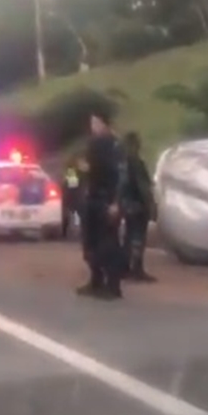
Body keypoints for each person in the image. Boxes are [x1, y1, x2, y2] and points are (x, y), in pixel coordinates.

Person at [77, 112, 127, 300]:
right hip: (92, 198)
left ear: (105, 123)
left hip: (106, 199)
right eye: (92, 122)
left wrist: (116, 201)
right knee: (91, 242)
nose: (93, 126)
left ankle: (113, 285)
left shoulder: (114, 145)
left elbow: (121, 176)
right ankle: (95, 280)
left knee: (109, 243)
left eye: (96, 122)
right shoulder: (93, 144)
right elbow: (87, 171)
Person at [120, 131, 157, 283]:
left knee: (128, 237)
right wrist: (151, 205)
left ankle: (125, 268)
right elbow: (143, 187)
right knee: (138, 238)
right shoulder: (136, 163)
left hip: (127, 205)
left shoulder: (122, 162)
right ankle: (137, 269)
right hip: (138, 205)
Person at [61, 158, 81, 239]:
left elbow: (71, 186)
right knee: (73, 216)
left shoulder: (71, 172)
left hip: (70, 197)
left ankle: (66, 233)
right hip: (72, 197)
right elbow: (73, 186)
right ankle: (70, 233)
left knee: (70, 216)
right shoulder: (72, 172)